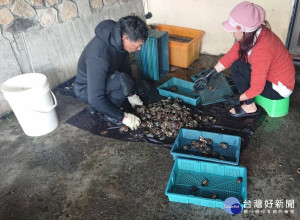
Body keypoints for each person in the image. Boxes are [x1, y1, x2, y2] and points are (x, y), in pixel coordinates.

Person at [194, 1, 295, 117]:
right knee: (238, 64)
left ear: (244, 30)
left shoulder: (262, 49)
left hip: (278, 88)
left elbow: (257, 88)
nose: (232, 33)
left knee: (237, 67)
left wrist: (237, 99)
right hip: (275, 76)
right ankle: (248, 101)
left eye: (233, 30)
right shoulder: (253, 33)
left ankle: (250, 106)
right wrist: (208, 75)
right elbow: (230, 56)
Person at [74, 15, 150, 130]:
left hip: (107, 78)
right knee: (121, 82)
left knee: (141, 86)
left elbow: (126, 69)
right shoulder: (99, 57)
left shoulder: (119, 41)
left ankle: (103, 106)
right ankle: (110, 115)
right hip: (86, 89)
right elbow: (95, 98)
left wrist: (131, 93)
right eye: (138, 45)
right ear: (125, 38)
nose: (139, 49)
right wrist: (123, 117)